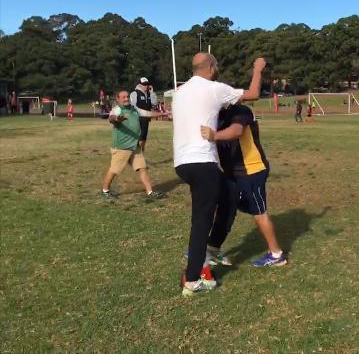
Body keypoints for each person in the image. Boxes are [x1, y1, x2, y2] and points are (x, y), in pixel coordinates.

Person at [172, 53, 265, 297]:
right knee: (201, 219)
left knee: (230, 194)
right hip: (202, 161)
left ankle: (211, 248)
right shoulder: (214, 88)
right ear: (212, 68)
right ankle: (193, 279)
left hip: (182, 163)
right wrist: (258, 68)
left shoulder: (179, 91)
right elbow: (253, 93)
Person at [200, 104, 287, 267]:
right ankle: (213, 248)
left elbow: (237, 130)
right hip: (232, 173)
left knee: (259, 213)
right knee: (226, 208)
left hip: (251, 170)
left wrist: (214, 135)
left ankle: (276, 254)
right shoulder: (216, 114)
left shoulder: (241, 111)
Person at [100, 90, 166, 199]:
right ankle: (105, 190)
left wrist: (164, 113)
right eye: (123, 97)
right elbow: (111, 118)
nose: (126, 99)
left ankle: (150, 192)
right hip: (122, 147)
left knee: (142, 168)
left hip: (135, 146)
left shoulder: (134, 109)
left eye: (127, 96)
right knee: (114, 170)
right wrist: (117, 119)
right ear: (118, 99)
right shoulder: (117, 110)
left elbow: (148, 113)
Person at [130, 77, 160, 152]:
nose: (146, 86)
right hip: (137, 119)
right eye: (144, 84)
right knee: (136, 137)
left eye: (147, 84)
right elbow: (133, 106)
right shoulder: (135, 93)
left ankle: (140, 153)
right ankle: (133, 153)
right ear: (139, 85)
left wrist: (152, 93)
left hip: (145, 119)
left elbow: (154, 103)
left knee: (143, 137)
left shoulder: (149, 94)